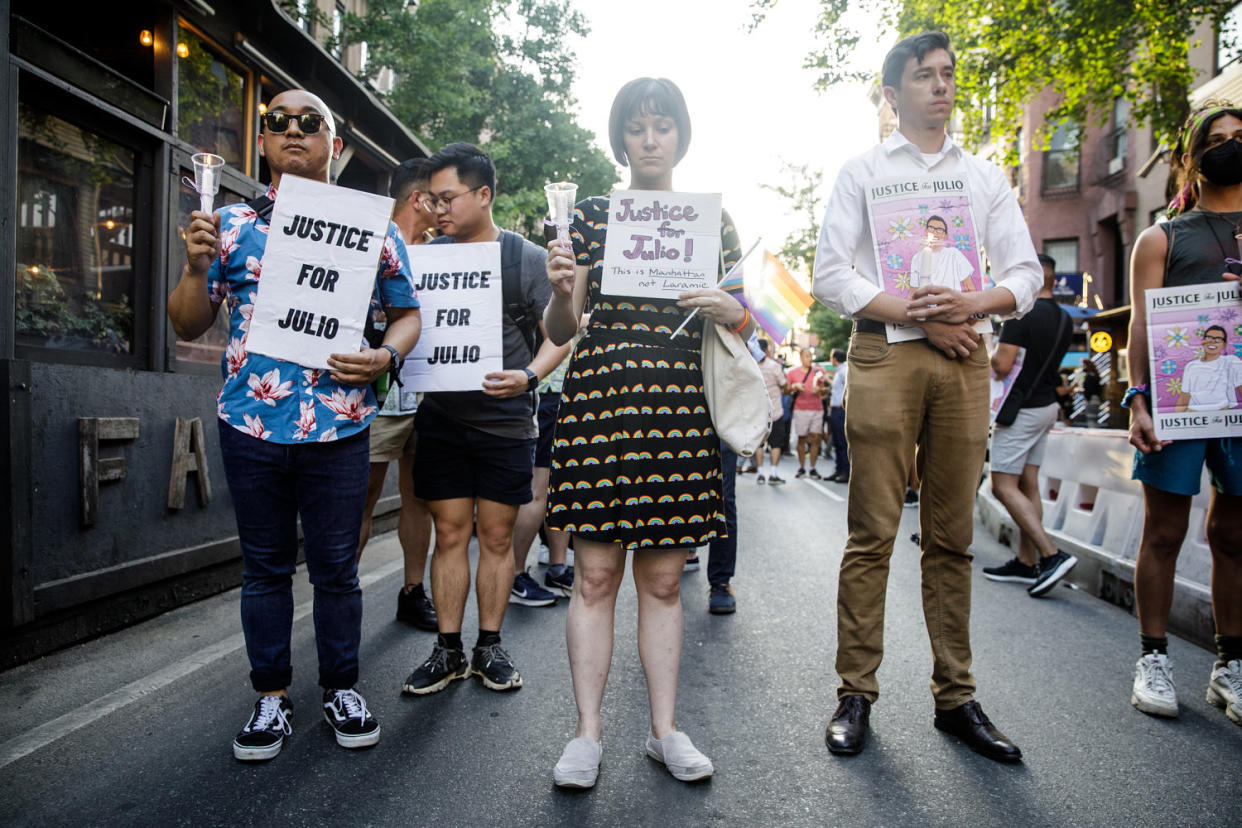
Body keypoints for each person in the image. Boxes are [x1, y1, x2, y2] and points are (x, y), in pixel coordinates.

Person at [167, 89, 421, 760]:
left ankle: (341, 689)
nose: (293, 130)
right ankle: (271, 700)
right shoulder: (224, 225)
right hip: (251, 425)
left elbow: (408, 312)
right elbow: (186, 320)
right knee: (265, 569)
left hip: (338, 425)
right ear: (263, 143)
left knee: (337, 568)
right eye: (277, 121)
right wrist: (195, 268)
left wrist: (385, 355)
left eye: (312, 122)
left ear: (334, 147)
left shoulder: (374, 227)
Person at [812, 31, 1043, 763]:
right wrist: (915, 312)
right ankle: (856, 692)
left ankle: (957, 698)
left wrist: (968, 307)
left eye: (948, 75)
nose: (941, 86)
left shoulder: (983, 178)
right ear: (893, 92)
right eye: (924, 76)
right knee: (873, 531)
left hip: (964, 359)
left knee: (952, 536)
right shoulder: (862, 173)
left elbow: (1027, 275)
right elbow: (828, 275)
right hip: (885, 353)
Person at [543, 77, 752, 788]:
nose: (651, 139)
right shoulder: (591, 216)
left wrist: (731, 307)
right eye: (638, 127)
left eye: (663, 126)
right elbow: (561, 331)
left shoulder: (712, 222)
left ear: (681, 135)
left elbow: (750, 323)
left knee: (663, 584)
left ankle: (665, 730)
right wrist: (560, 284)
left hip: (680, 412)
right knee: (595, 575)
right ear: (621, 137)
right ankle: (587, 735)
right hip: (600, 403)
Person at [401, 143, 571, 696]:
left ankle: (489, 646)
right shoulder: (426, 255)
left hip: (505, 423)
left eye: (448, 198)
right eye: (431, 199)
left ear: (484, 195)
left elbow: (560, 336)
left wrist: (529, 377)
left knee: (496, 538)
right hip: (443, 420)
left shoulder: (522, 258)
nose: (439, 209)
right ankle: (447, 650)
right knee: (449, 535)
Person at [1124, 101, 1242, 726]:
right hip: (1180, 405)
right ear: (1192, 158)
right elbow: (1140, 328)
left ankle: (1230, 664)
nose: (1230, 146)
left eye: (1239, 138)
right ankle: (1154, 657)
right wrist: (1137, 398)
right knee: (1164, 533)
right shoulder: (1161, 237)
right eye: (1217, 140)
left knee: (1235, 535)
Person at [356, 158, 437, 631]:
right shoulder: (368, 242)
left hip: (427, 394)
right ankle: (341, 591)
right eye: (439, 198)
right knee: (361, 500)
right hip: (376, 391)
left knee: (418, 498)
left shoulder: (443, 253)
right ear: (417, 199)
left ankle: (413, 590)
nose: (444, 207)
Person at [983, 253, 1076, 596]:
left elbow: (1003, 364)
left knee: (1002, 485)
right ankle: (1026, 561)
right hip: (1047, 404)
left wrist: (988, 352)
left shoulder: (1021, 315)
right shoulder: (1065, 318)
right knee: (1028, 481)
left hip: (1019, 408)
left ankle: (1051, 555)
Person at [508, 317, 587, 607]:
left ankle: (557, 569)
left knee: (560, 489)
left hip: (565, 392)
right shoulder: (546, 275)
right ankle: (513, 576)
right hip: (548, 391)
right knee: (539, 491)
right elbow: (551, 322)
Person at [1174, 326, 1242, 411]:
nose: (1213, 342)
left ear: (1224, 344)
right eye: (1209, 338)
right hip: (1194, 414)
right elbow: (1184, 396)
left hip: (1222, 413)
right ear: (1203, 341)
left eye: (1218, 339)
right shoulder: (1191, 366)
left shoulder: (1231, 362)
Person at [787, 347, 828, 478]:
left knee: (816, 438)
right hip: (801, 409)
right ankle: (802, 467)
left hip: (817, 409)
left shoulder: (819, 371)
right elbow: (785, 390)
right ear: (801, 358)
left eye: (811, 356)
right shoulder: (793, 373)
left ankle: (812, 467)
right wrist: (795, 386)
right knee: (802, 438)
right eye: (806, 356)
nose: (809, 358)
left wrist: (820, 390)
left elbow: (827, 388)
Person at [909, 214, 975, 291]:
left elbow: (969, 287)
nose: (935, 232)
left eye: (940, 230)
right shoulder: (917, 258)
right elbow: (913, 291)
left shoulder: (954, 254)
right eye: (931, 228)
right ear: (926, 231)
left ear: (945, 235)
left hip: (951, 301)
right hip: (926, 301)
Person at [755, 338, 789, 485]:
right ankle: (773, 473)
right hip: (775, 412)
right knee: (776, 444)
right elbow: (785, 386)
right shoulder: (775, 366)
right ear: (767, 350)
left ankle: (760, 473)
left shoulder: (750, 365)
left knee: (759, 444)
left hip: (757, 413)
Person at [826, 348, 850, 483]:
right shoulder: (839, 371)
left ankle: (845, 471)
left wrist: (843, 403)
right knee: (837, 442)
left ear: (835, 358)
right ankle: (838, 469)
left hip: (840, 410)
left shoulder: (844, 370)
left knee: (842, 442)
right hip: (835, 410)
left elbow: (848, 387)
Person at [1081, 358, 1103, 427]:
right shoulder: (1094, 375)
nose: (1082, 366)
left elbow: (1089, 389)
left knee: (1091, 420)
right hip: (1095, 398)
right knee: (1093, 419)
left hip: (1091, 399)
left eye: (1083, 365)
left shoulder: (1090, 376)